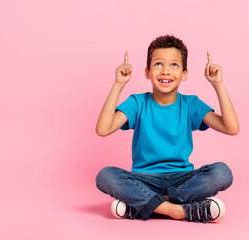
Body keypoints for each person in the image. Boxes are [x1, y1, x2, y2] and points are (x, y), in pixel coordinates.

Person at [95, 35, 239, 223]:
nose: (165, 71)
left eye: (174, 65)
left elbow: (231, 128)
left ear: (184, 74)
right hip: (144, 180)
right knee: (105, 176)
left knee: (221, 172)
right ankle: (179, 210)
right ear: (147, 72)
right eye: (158, 64)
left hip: (183, 180)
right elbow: (103, 129)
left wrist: (218, 85)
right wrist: (118, 85)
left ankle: (144, 206)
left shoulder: (191, 104)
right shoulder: (137, 103)